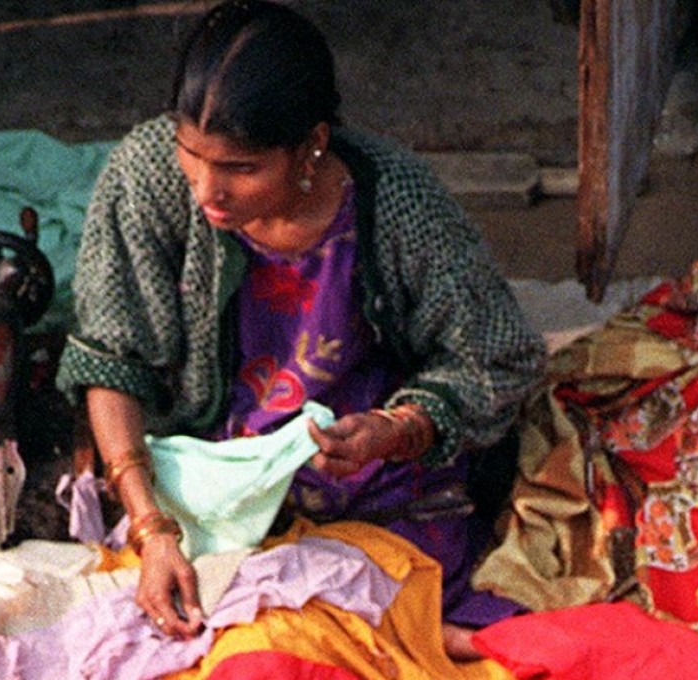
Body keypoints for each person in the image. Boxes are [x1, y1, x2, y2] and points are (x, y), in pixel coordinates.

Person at [55, 0, 546, 660]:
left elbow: (499, 357)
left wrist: (399, 430)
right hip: (211, 505)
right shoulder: (146, 174)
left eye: (241, 168)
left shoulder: (398, 204)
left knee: (322, 650)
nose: (207, 190)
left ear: (310, 145)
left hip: (376, 500)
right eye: (191, 154)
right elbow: (111, 361)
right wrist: (152, 529)